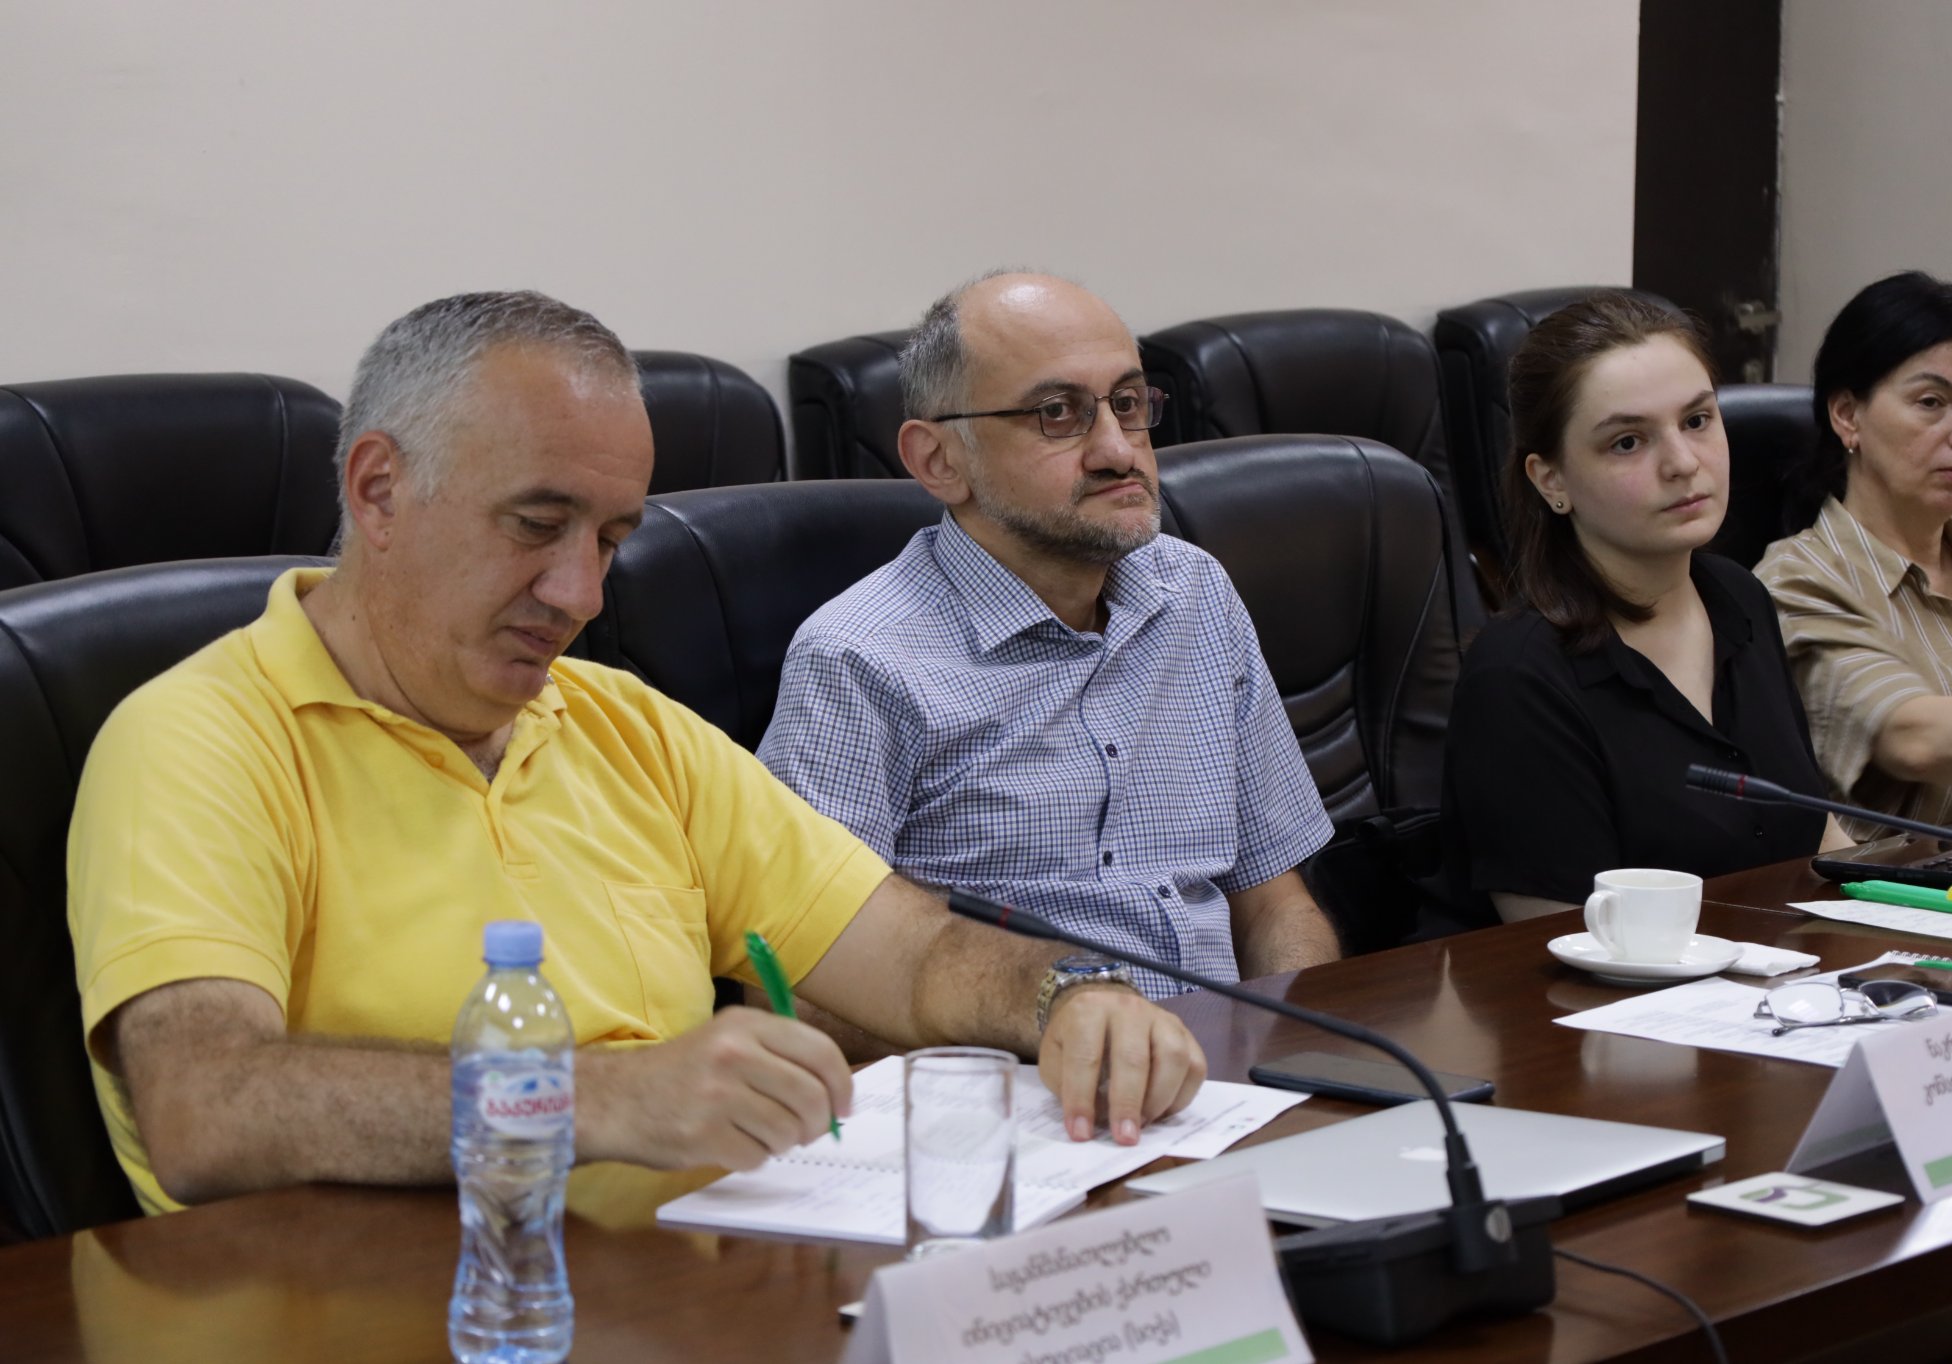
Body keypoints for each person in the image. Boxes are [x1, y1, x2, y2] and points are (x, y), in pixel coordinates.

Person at [67, 291, 1204, 1216]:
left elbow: (904, 952)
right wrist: (596, 1099)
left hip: (672, 1288)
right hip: (380, 1309)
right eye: (535, 525)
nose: (579, 593)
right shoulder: (201, 740)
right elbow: (205, 1106)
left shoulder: (624, 723)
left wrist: (1064, 995)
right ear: (379, 489)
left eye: (610, 540)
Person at [756, 272, 1338, 998]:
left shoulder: (1194, 590)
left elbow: (1274, 901)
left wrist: (1295, 1040)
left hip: (1231, 1055)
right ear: (939, 460)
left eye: (1128, 404)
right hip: (1024, 1061)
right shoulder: (859, 660)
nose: (1118, 451)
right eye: (1057, 413)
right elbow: (794, 985)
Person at [1440, 293, 1849, 924]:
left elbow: (1818, 838)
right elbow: (1557, 942)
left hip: (1798, 973)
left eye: (1697, 420)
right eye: (1628, 442)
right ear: (1551, 480)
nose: (1683, 463)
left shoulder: (1739, 597)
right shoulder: (1518, 677)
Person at [1757, 272, 1952, 839]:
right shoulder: (1797, 580)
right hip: (1939, 881)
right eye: (1932, 403)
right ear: (1848, 416)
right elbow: (1915, 739)